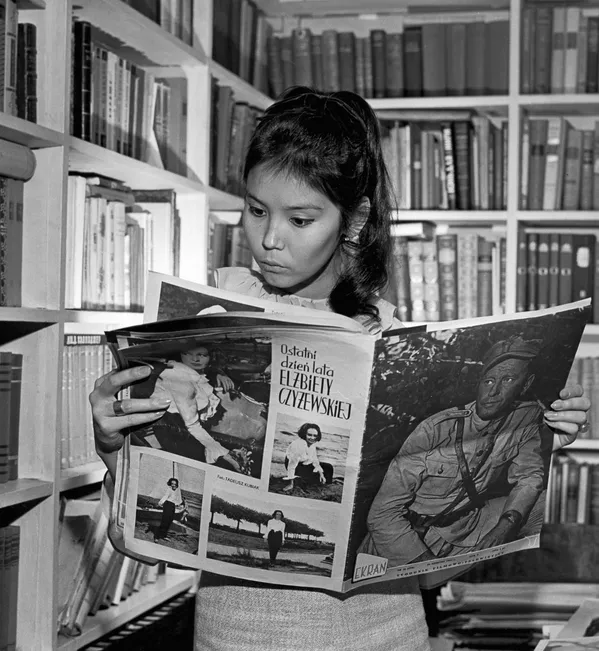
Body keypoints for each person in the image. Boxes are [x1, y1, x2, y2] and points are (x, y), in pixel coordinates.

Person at [90, 86, 590, 651]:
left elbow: (431, 572)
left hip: (386, 637)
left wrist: (540, 442)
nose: (269, 239)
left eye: (300, 219)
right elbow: (138, 541)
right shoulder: (204, 327)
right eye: (256, 210)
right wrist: (113, 448)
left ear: (354, 220)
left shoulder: (392, 344)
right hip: (236, 637)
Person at [359, 335, 561, 567]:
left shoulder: (525, 418)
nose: (493, 392)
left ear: (525, 385)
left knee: (545, 503)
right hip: (403, 540)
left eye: (507, 380)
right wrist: (426, 567)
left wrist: (507, 524)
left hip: (464, 528)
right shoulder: (435, 429)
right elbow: (382, 514)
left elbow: (529, 476)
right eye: (488, 381)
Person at [134, 343, 242, 472]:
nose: (195, 359)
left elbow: (205, 372)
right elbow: (192, 426)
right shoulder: (181, 382)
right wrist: (223, 452)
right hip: (174, 431)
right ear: (180, 354)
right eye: (188, 354)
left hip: (183, 425)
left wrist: (218, 373)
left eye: (201, 355)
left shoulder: (186, 370)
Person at [282, 422, 334, 493]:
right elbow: (291, 465)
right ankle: (299, 480)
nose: (312, 438)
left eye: (315, 435)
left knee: (328, 467)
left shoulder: (312, 444)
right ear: (304, 434)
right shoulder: (298, 445)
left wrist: (321, 474)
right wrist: (291, 484)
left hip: (304, 463)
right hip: (294, 465)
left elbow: (315, 460)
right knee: (313, 478)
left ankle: (327, 485)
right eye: (309, 435)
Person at [155, 477, 184, 542]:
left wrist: (178, 505)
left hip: (173, 506)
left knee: (169, 521)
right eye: (172, 484)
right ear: (170, 484)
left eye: (175, 484)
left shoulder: (177, 490)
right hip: (167, 505)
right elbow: (165, 496)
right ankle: (156, 537)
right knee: (164, 521)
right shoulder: (169, 489)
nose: (173, 485)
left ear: (177, 484)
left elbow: (178, 498)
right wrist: (160, 503)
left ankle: (164, 535)